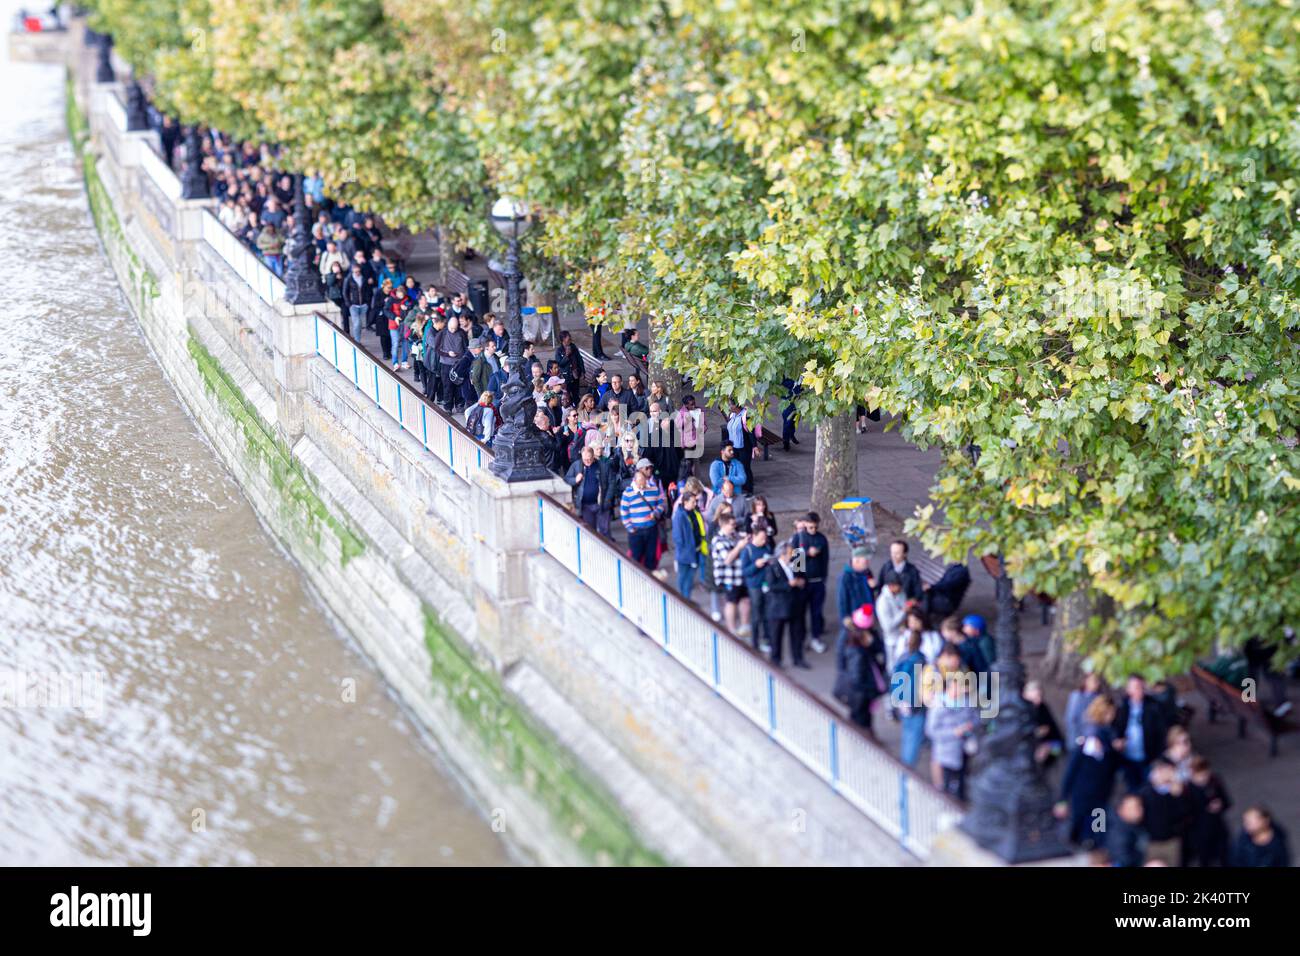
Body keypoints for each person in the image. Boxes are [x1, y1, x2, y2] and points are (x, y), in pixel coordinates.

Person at [1054, 696, 1120, 849]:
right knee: (1078, 827)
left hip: (1101, 791)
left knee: (1098, 831)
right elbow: (1071, 772)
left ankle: (1094, 848)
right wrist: (1063, 798)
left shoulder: (1109, 736)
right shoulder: (1089, 738)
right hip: (1084, 791)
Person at [924, 645, 978, 800]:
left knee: (961, 781)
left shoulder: (966, 701)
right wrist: (954, 732)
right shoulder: (939, 706)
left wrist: (970, 726)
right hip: (946, 752)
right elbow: (931, 731)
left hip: (963, 749)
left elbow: (975, 717)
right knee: (949, 783)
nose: (961, 689)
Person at [1112, 674, 1169, 792]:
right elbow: (1115, 728)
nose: (1140, 690)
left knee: (1148, 789)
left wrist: (1158, 756)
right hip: (1128, 759)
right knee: (1132, 789)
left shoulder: (1153, 706)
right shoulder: (1122, 706)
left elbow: (1161, 733)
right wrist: (1117, 740)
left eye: (1142, 687)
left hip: (1147, 758)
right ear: (1128, 689)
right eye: (1136, 687)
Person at [835, 605, 887, 732]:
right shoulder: (857, 653)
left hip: (863, 680)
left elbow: (879, 647)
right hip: (860, 688)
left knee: (863, 714)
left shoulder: (864, 638)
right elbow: (855, 674)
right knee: (860, 715)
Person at [763, 537, 808, 669]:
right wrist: (788, 584)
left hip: (794, 605)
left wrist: (800, 582)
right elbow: (771, 586)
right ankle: (776, 660)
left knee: (796, 633)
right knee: (776, 635)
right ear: (782, 554)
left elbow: (801, 575)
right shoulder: (772, 568)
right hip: (778, 607)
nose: (792, 555)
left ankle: (798, 658)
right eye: (790, 553)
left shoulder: (794, 565)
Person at [1139, 761, 1192, 866]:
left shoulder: (1177, 792)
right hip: (1152, 842)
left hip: (1172, 840)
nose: (1165, 775)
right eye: (1161, 771)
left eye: (1169, 771)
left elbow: (1186, 813)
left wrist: (1179, 796)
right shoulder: (1145, 793)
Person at [790, 512, 830, 653]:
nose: (813, 529)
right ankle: (800, 639)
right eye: (810, 527)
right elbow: (795, 561)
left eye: (815, 527)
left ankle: (815, 637)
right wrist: (798, 577)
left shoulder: (821, 539)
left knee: (816, 612)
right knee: (800, 613)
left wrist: (824, 577)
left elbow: (825, 560)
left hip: (818, 581)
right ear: (806, 524)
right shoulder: (798, 538)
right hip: (803, 582)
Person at [1184, 756, 1232, 867]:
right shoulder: (1187, 790)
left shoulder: (1215, 781)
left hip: (1218, 828)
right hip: (1200, 832)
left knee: (1225, 857)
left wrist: (1221, 805)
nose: (1203, 778)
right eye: (1199, 775)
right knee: (1204, 860)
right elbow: (1186, 812)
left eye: (1205, 774)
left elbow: (1227, 801)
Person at [620, 461, 666, 571]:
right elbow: (624, 512)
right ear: (634, 481)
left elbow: (662, 503)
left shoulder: (654, 489)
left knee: (651, 556)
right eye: (639, 481)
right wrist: (630, 528)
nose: (642, 484)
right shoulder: (628, 493)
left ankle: (650, 577)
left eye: (644, 481)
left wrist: (656, 512)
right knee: (636, 556)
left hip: (651, 529)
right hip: (636, 531)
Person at [891, 631, 928, 765]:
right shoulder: (921, 661)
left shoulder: (902, 658)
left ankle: (904, 763)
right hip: (916, 704)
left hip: (902, 702)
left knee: (908, 732)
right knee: (914, 735)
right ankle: (908, 767)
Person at [711, 514, 751, 638]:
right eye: (732, 525)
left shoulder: (735, 536)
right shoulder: (718, 540)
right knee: (731, 601)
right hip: (729, 577)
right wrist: (739, 547)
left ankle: (745, 627)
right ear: (723, 525)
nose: (735, 527)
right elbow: (727, 560)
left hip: (741, 576)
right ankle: (731, 630)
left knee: (745, 600)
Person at [739, 526, 775, 653]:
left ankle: (766, 639)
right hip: (754, 586)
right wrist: (755, 565)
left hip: (766, 585)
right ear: (753, 536)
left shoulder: (767, 548)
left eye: (765, 538)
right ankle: (755, 642)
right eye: (761, 538)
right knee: (756, 614)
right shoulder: (747, 551)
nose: (764, 541)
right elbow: (744, 571)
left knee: (767, 613)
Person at [566, 443, 614, 533]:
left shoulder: (603, 465)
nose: (587, 461)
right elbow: (566, 479)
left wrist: (608, 499)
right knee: (591, 532)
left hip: (602, 503)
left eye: (590, 459)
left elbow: (612, 482)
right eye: (585, 459)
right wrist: (575, 480)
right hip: (586, 506)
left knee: (605, 532)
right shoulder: (576, 465)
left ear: (594, 456)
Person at [671, 490, 705, 598]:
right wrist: (686, 550)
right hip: (686, 554)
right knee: (684, 577)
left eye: (695, 501)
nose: (695, 504)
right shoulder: (679, 516)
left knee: (690, 577)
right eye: (693, 502)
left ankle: (687, 599)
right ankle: (683, 600)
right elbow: (677, 537)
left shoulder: (695, 512)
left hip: (697, 549)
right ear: (685, 502)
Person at [1024, 680, 1064, 767]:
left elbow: (1060, 746)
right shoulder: (1016, 713)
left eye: (1040, 696)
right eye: (1035, 698)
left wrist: (1048, 748)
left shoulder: (1043, 710)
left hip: (1043, 769)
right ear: (1025, 696)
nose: (1038, 701)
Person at [433, 314, 468, 410]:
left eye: (455, 328)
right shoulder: (442, 334)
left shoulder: (462, 333)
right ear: (447, 325)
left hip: (459, 364)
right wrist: (448, 354)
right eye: (451, 328)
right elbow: (437, 349)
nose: (453, 330)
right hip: (446, 364)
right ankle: (448, 407)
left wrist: (464, 359)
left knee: (459, 385)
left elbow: (465, 347)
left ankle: (459, 405)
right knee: (447, 386)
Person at [1065, 672, 1105, 751]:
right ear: (1086, 681)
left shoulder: (1099, 698)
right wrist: (1079, 739)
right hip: (1078, 743)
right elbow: (1070, 720)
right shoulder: (1077, 696)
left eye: (1097, 681)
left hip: (1094, 743)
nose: (1096, 683)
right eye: (1094, 680)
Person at [1108, 793, 1149, 867]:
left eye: (1140, 806)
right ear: (1121, 810)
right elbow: (1122, 860)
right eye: (1134, 808)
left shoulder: (1135, 826)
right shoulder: (1117, 834)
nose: (1140, 810)